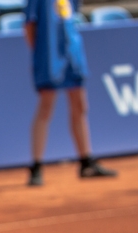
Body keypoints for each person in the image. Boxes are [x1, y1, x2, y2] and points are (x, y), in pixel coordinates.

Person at [24, 0, 117, 186]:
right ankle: (36, 166)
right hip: (49, 56)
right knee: (46, 107)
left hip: (72, 53)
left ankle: (86, 161)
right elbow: (29, 27)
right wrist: (43, 53)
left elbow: (71, 18)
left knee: (80, 105)